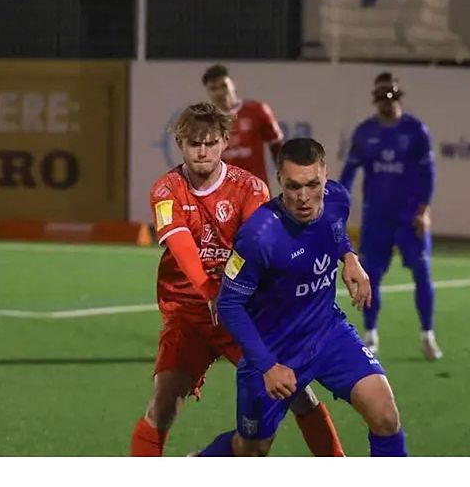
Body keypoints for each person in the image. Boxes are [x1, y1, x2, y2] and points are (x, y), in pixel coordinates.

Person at [130, 103, 344, 457]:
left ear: (225, 142)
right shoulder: (166, 190)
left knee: (297, 392)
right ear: (181, 143)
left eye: (211, 142)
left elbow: (259, 243)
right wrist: (209, 289)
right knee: (163, 403)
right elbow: (182, 245)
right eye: (194, 143)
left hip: (244, 312)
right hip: (189, 314)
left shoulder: (249, 188)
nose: (202, 151)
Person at [194, 138, 408, 457]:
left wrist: (349, 257)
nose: (304, 198)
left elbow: (334, 231)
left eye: (313, 185)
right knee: (251, 448)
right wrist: (267, 366)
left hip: (327, 332)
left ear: (325, 176)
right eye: (293, 186)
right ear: (279, 179)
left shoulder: (337, 199)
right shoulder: (259, 237)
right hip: (274, 349)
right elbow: (228, 303)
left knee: (385, 416)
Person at [338, 71, 441, 360]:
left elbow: (428, 173)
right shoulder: (364, 133)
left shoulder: (416, 131)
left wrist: (424, 210)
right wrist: (336, 206)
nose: (387, 101)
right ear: (374, 99)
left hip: (409, 219)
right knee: (371, 276)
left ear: (399, 96)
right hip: (377, 219)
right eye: (381, 96)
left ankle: (427, 334)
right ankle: (370, 333)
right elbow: (348, 174)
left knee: (422, 273)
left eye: (391, 95)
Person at [202, 63, 284, 185]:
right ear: (208, 92)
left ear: (233, 84)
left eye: (224, 86)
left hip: (256, 189)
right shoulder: (204, 121)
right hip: (223, 193)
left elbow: (276, 146)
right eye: (214, 88)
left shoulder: (257, 111)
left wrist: (284, 175)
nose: (220, 92)